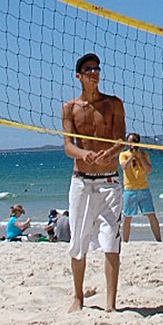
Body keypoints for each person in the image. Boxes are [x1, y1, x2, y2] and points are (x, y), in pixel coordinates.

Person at [62, 52, 127, 311]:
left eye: (97, 68)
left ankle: (111, 304)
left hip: (109, 180)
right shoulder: (70, 108)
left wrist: (109, 153)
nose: (94, 73)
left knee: (111, 242)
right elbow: (68, 145)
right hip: (82, 180)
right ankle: (78, 298)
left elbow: (121, 140)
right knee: (78, 242)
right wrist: (84, 154)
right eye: (89, 69)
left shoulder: (114, 104)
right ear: (79, 76)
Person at [120, 132, 162, 242]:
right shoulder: (124, 155)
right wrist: (132, 156)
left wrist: (140, 157)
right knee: (127, 217)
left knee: (151, 215)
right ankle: (125, 241)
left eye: (134, 141)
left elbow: (149, 170)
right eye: (130, 142)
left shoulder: (144, 155)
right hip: (130, 189)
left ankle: (158, 240)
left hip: (144, 189)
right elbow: (124, 166)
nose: (132, 144)